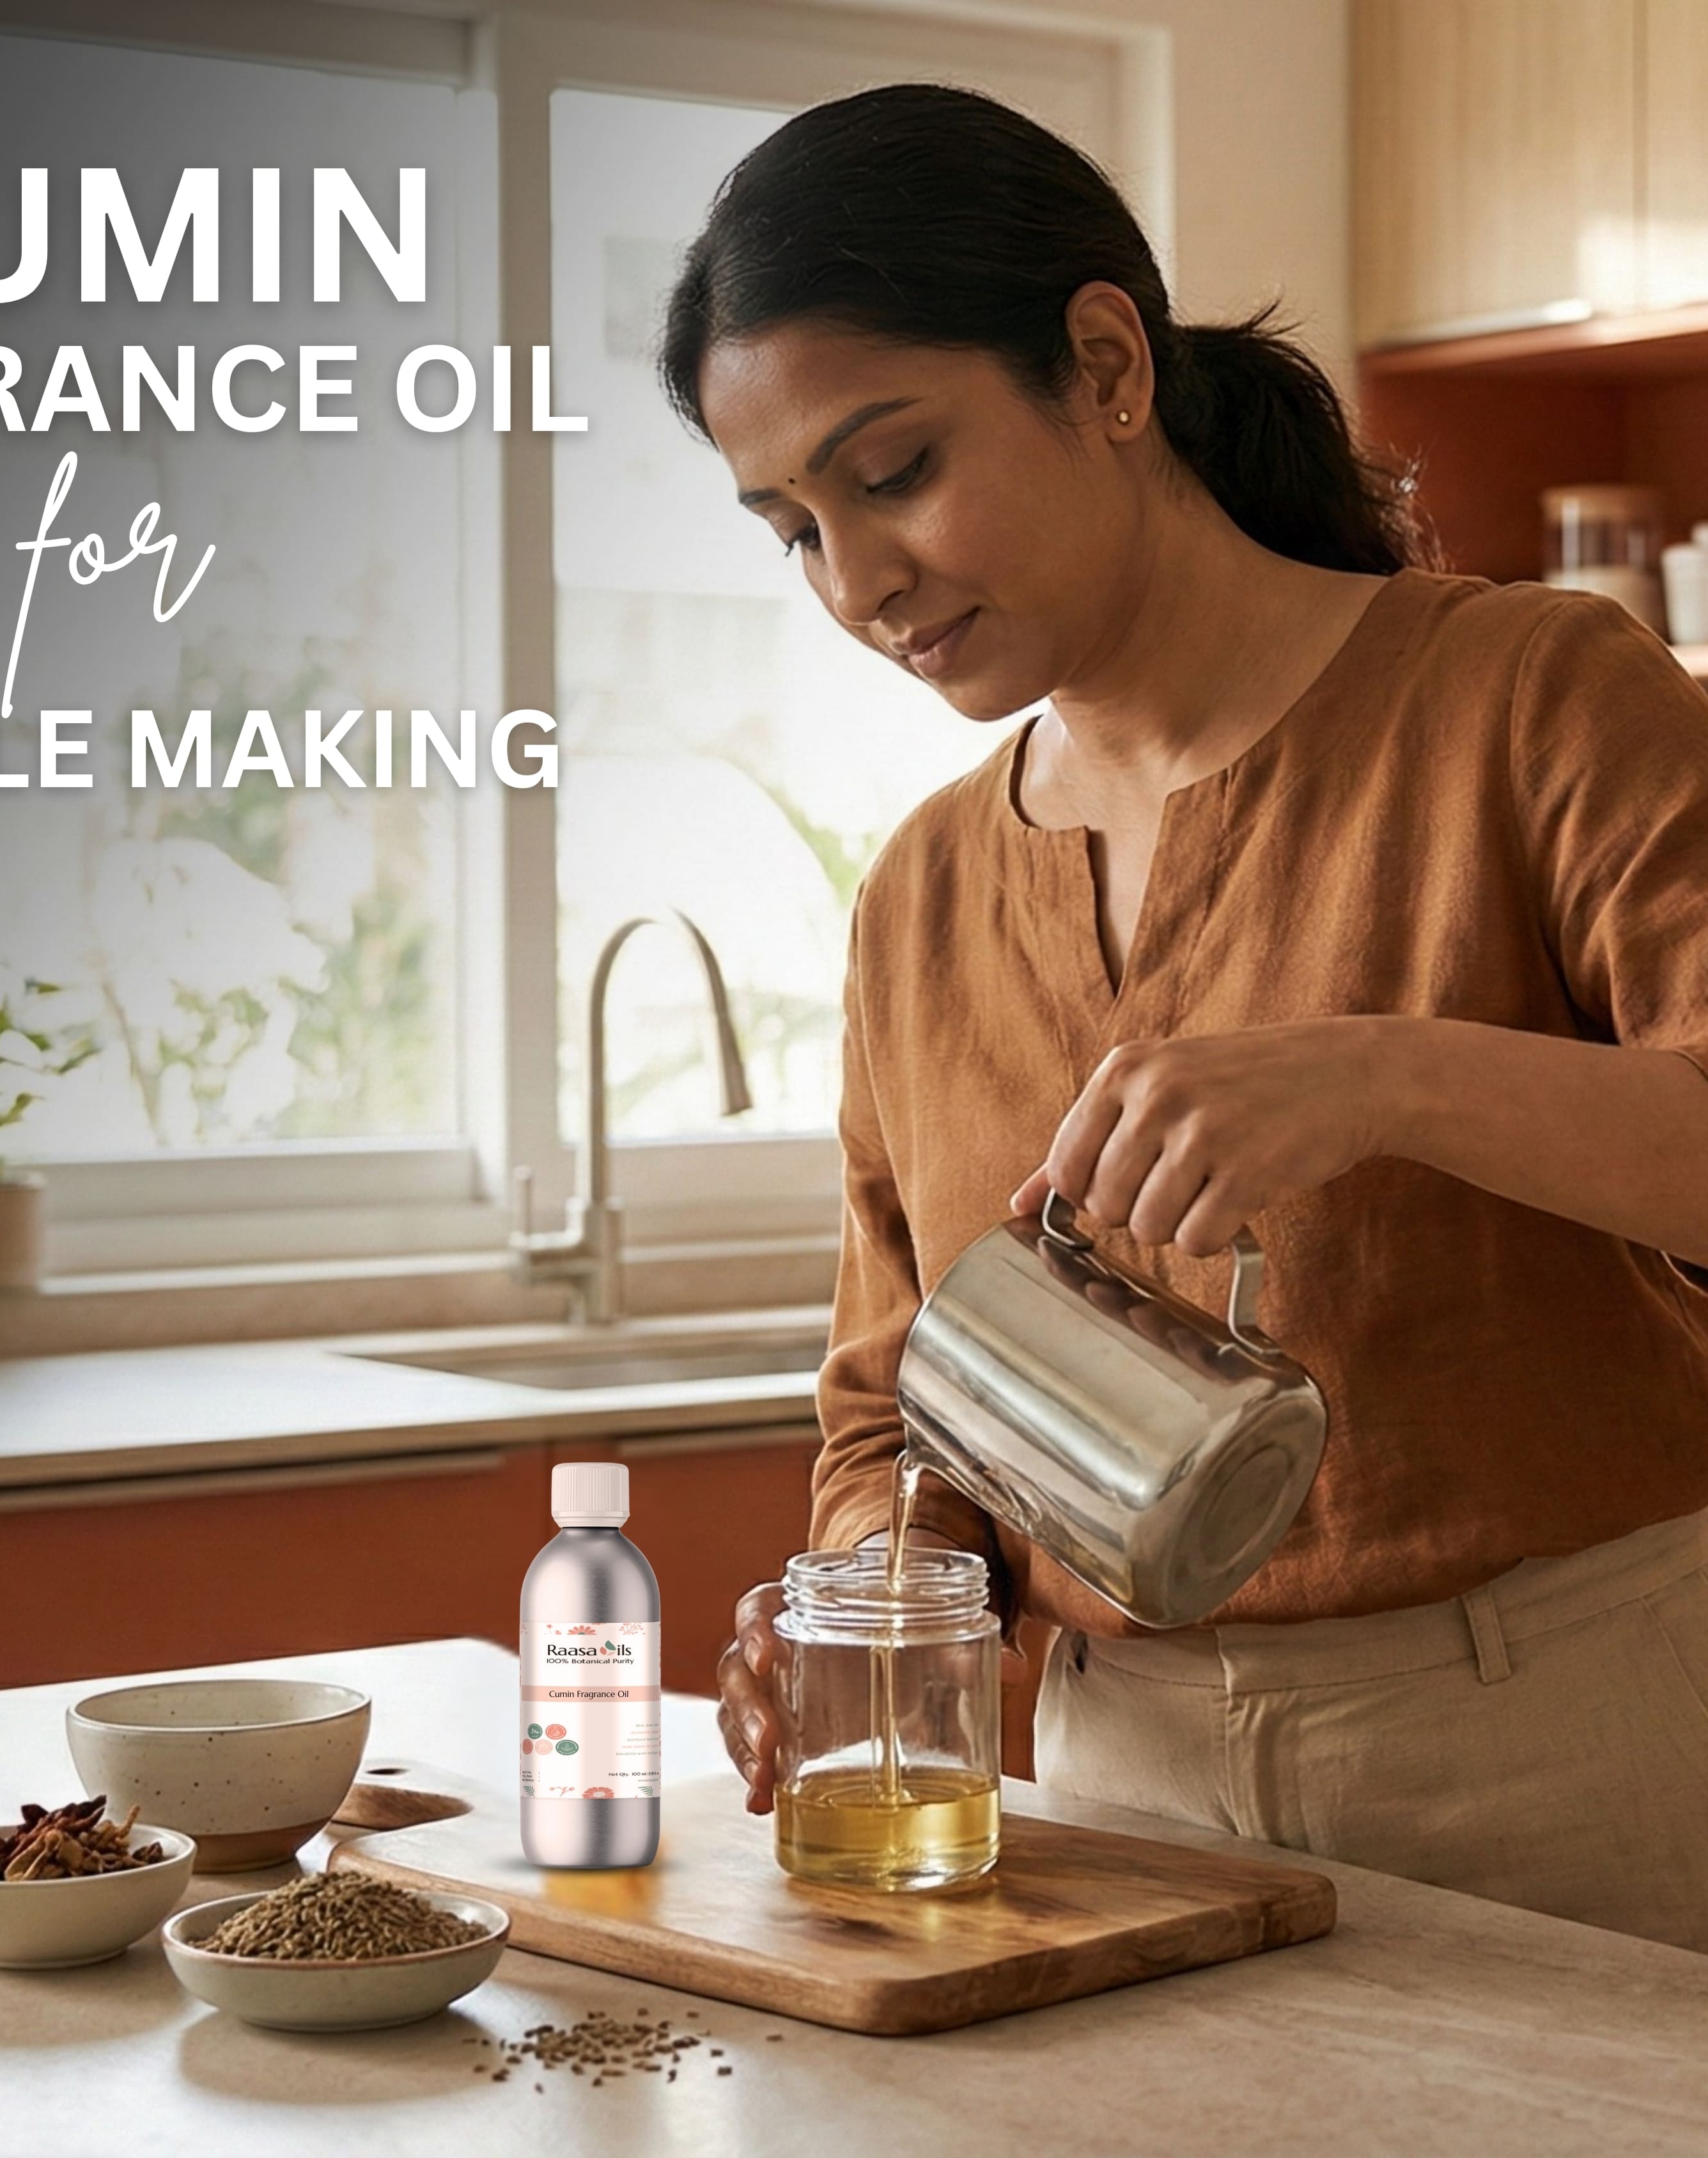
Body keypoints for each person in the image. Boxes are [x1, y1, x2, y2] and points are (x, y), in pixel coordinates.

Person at [669, 82, 1708, 1953]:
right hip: (1113, 1804)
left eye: (892, 471)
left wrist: (1391, 1072)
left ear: (1104, 362)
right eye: (790, 530)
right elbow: (887, 1406)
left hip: (1578, 1759)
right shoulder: (920, 895)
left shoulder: (1535, 699)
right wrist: (877, 1597)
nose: (857, 582)